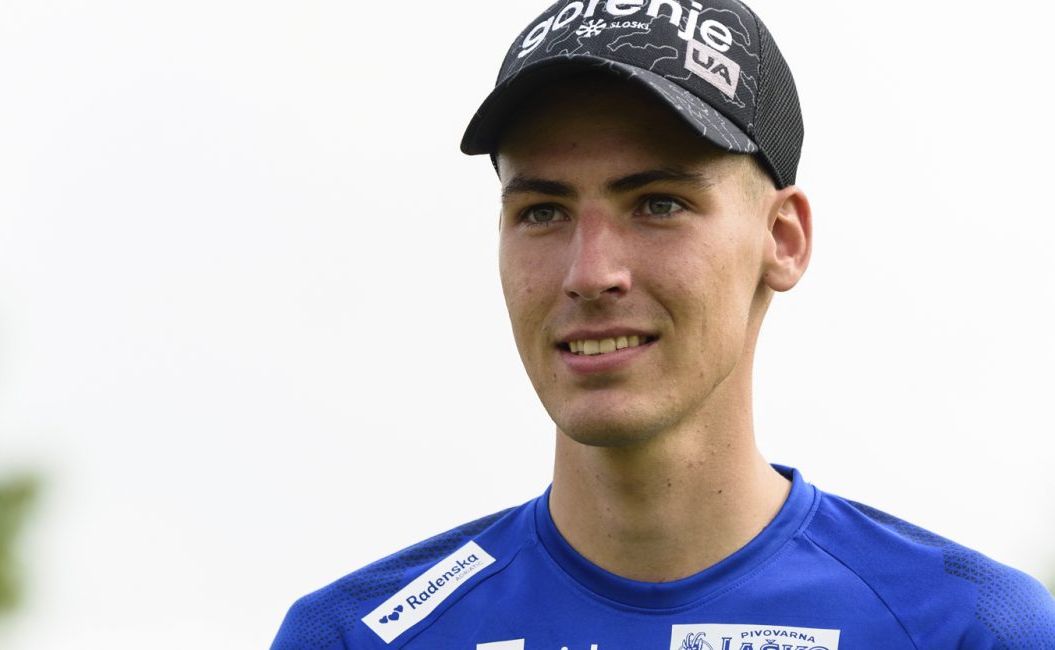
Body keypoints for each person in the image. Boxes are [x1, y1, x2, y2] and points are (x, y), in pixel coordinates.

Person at [271, 0, 1055, 647]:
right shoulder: (353, 636)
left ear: (782, 240)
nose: (590, 273)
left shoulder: (970, 628)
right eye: (542, 211)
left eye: (658, 203)